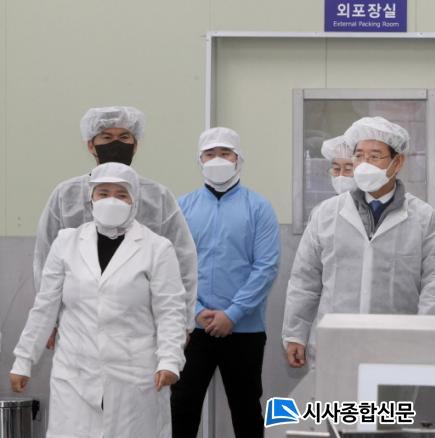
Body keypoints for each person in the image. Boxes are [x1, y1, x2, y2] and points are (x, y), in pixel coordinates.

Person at [9, 163, 187, 438]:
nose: (111, 200)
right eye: (103, 193)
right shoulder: (66, 243)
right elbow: (45, 307)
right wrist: (23, 360)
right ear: (91, 198)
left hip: (134, 376)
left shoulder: (157, 248)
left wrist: (169, 361)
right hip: (74, 375)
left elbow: (171, 311)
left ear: (134, 200)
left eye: (121, 194)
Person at [282, 116, 435, 368]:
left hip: (397, 347)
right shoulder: (326, 214)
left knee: (390, 395)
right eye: (359, 156)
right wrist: (295, 333)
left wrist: (421, 336)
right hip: (335, 344)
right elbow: (304, 279)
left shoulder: (424, 219)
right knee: (336, 394)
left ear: (398, 162)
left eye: (375, 156)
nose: (364, 164)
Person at [33, 106, 197, 342]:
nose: (116, 144)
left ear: (135, 144)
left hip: (141, 325)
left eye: (124, 137)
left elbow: (182, 261)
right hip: (78, 325)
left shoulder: (158, 197)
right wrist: (48, 321)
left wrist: (181, 322)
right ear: (91, 145)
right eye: (107, 137)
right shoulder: (66, 195)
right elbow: (46, 261)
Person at [170, 127, 280, 438]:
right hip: (192, 329)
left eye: (225, 153)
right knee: (182, 406)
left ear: (238, 159)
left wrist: (233, 314)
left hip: (244, 328)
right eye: (210, 154)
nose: (217, 160)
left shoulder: (258, 207)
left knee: (246, 409)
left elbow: (266, 267)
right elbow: (173, 266)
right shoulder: (182, 207)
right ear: (200, 160)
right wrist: (196, 311)